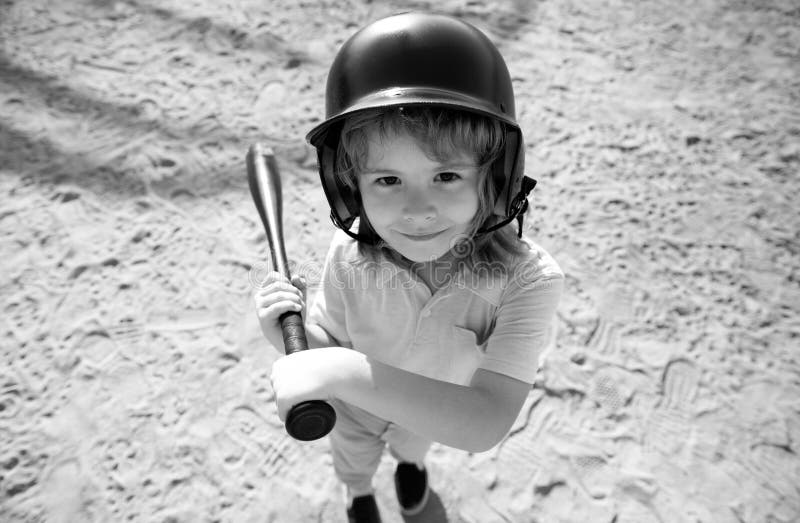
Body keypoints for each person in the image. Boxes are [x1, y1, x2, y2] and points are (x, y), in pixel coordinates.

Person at [253, 12, 564, 523]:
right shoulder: (348, 254)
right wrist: (291, 336)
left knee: (413, 449)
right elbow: (331, 341)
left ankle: (408, 469)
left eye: (446, 174)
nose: (418, 211)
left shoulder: (527, 280)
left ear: (498, 177)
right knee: (353, 461)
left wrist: (340, 370)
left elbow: (484, 420)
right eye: (388, 181)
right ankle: (358, 494)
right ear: (351, 186)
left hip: (432, 407)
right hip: (352, 410)